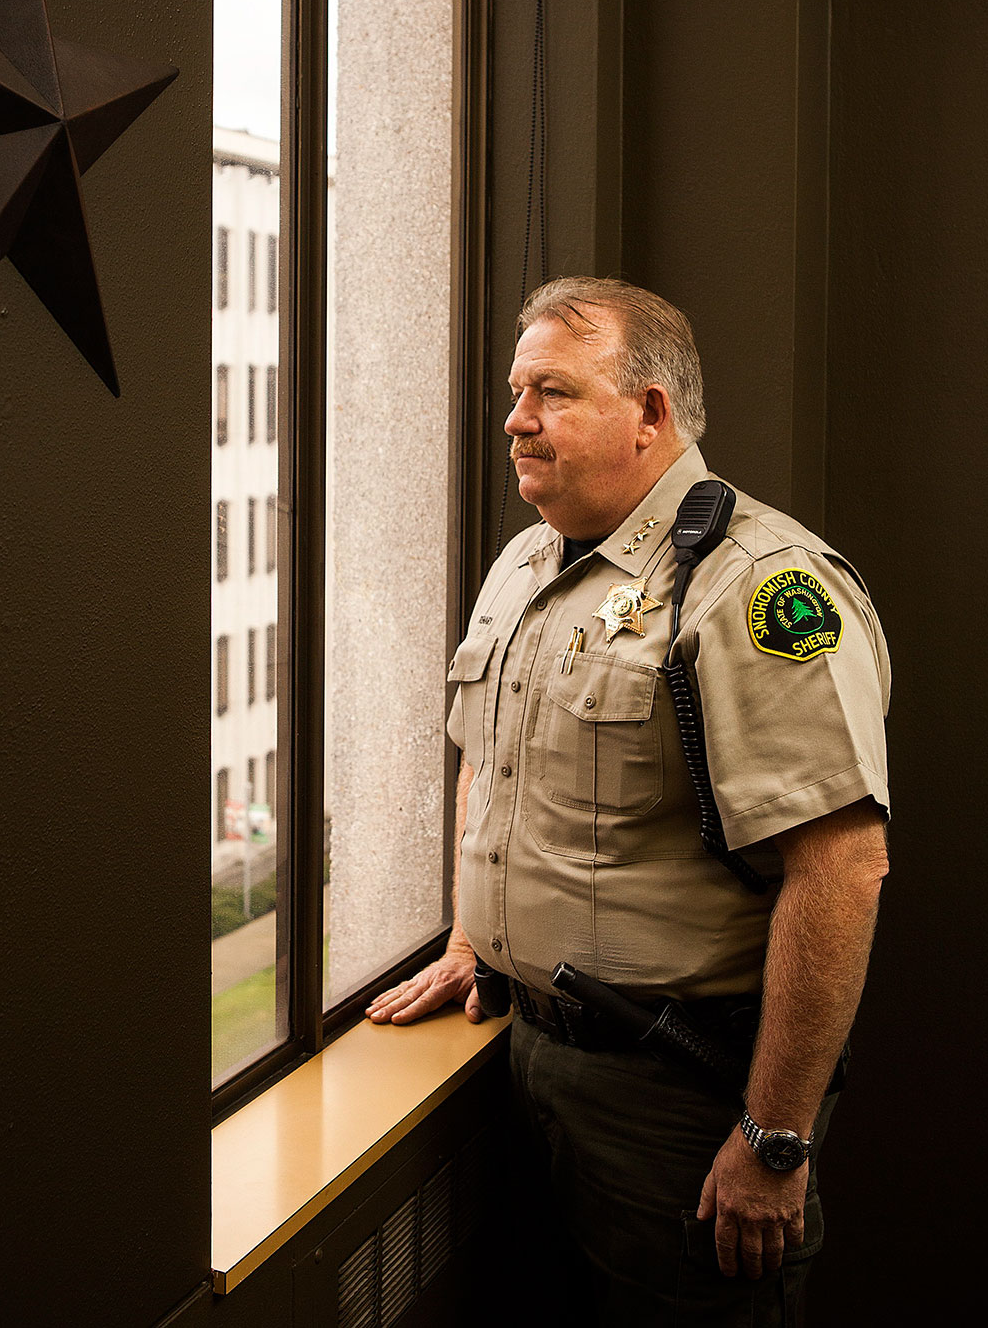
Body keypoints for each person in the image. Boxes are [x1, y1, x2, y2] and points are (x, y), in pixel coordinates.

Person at [368, 278, 890, 1323]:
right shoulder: (525, 563)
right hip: (524, 1057)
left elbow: (838, 870)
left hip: (677, 1096)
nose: (515, 417)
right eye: (516, 391)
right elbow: (495, 764)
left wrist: (771, 1138)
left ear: (648, 413)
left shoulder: (754, 586)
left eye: (552, 392)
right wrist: (473, 939)